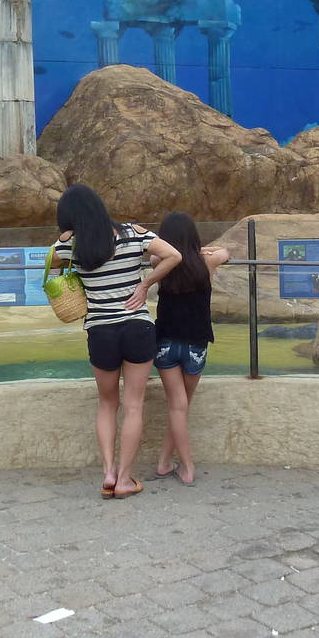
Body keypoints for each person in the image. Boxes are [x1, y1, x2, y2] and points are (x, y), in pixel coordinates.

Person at [53, 184, 181, 499]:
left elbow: (51, 263)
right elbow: (173, 255)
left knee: (107, 403)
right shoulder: (134, 233)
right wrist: (146, 285)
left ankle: (109, 473)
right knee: (133, 405)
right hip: (137, 327)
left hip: (100, 331)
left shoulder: (70, 244)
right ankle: (125, 479)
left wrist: (68, 238)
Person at [151, 211, 229, 486]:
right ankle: (187, 467)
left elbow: (153, 256)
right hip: (196, 343)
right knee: (182, 406)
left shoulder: (161, 263)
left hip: (165, 343)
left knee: (177, 406)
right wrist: (203, 250)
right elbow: (226, 252)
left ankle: (164, 462)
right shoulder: (207, 263)